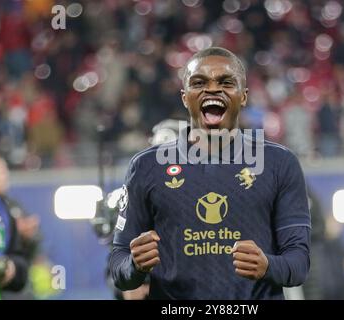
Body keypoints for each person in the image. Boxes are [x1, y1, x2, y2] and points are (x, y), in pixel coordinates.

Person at [109, 47, 311, 299]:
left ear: (244, 96)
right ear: (185, 97)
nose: (213, 89)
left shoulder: (279, 163)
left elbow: (299, 264)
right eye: (199, 82)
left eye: (226, 82)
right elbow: (118, 265)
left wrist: (268, 266)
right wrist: (134, 266)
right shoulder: (146, 167)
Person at [0, 151, 40, 299]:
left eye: (5, 171)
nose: (4, 176)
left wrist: (11, 268)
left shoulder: (9, 209)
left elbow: (21, 260)